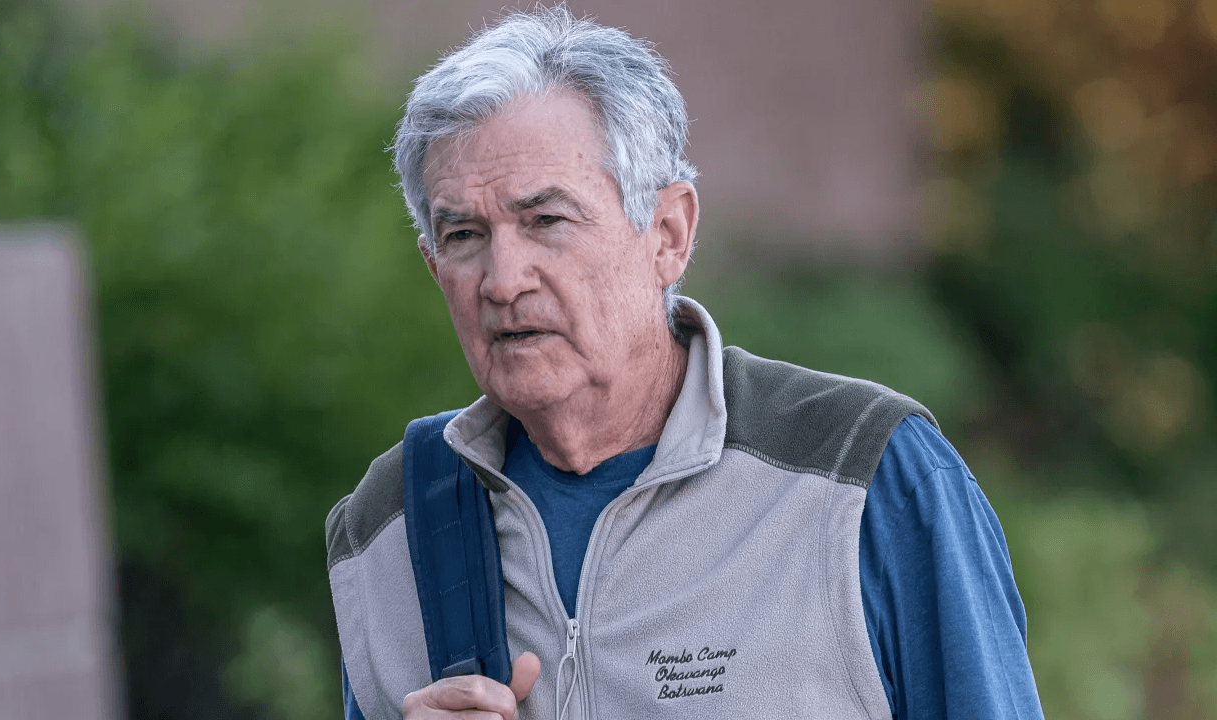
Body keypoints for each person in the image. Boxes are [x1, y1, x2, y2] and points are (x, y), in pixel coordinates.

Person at [326, 6, 1044, 719]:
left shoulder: (867, 475)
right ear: (434, 265)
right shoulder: (390, 525)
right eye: (463, 235)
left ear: (668, 234)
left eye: (547, 220)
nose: (503, 280)